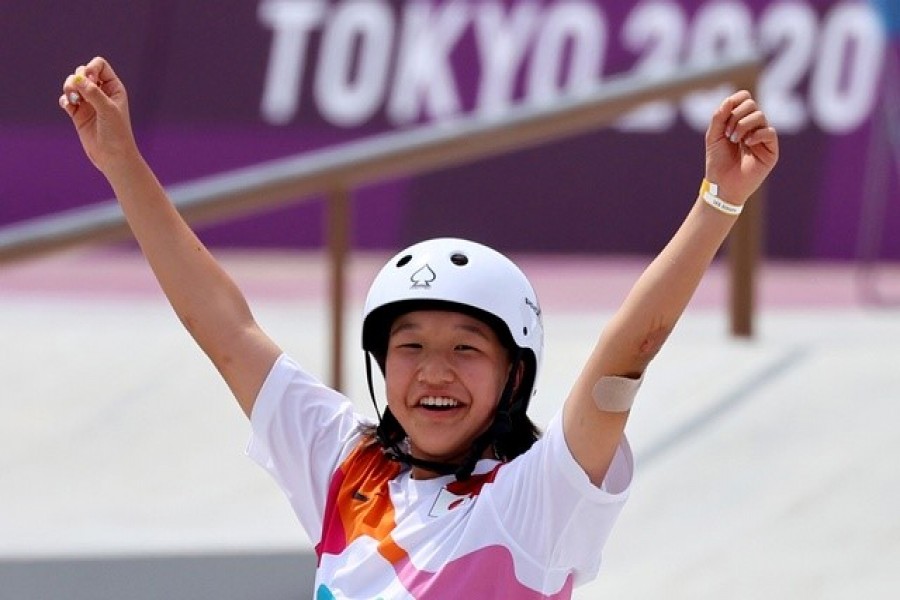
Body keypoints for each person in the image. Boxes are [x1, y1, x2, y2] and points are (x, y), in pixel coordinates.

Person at [59, 56, 778, 599]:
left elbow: (630, 350)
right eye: (411, 348)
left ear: (514, 375)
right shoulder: (344, 468)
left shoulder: (538, 501)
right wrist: (121, 162)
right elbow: (222, 326)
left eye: (467, 349)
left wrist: (719, 200)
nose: (434, 372)